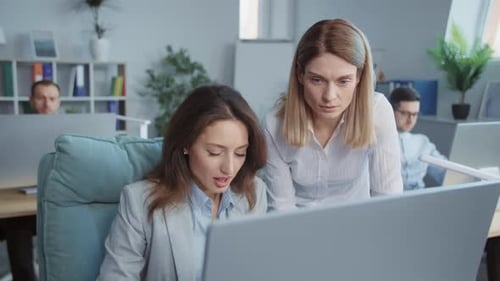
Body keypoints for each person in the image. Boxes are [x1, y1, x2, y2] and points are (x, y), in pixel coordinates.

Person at [97, 85, 268, 281]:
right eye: (214, 152)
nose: (229, 168)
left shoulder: (254, 192)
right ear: (186, 144)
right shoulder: (140, 201)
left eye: (240, 153)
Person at [262, 18, 403, 210]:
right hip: (298, 229)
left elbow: (388, 199)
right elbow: (282, 208)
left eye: (343, 81)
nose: (329, 96)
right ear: (300, 75)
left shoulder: (377, 111)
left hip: (358, 227)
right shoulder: (274, 124)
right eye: (317, 80)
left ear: (359, 77)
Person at [0, 80, 61, 281]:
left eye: (52, 99)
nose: (47, 104)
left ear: (59, 102)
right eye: (41, 98)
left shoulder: (69, 132)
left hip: (55, 201)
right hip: (19, 203)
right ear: (31, 101)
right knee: (17, 223)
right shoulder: (13, 132)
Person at [388, 86, 446, 190]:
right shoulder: (379, 141)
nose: (411, 120)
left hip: (419, 199)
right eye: (405, 113)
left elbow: (445, 173)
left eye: (415, 114)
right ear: (391, 111)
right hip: (389, 200)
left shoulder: (423, 142)